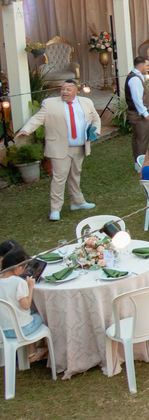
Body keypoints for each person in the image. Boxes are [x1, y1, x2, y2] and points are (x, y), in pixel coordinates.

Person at [14, 79, 101, 222]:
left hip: (79, 146)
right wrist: (26, 130)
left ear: (76, 91)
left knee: (75, 174)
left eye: (68, 89)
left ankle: (77, 202)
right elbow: (37, 118)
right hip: (59, 147)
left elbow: (95, 118)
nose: (64, 92)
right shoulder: (50, 104)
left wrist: (95, 132)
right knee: (59, 178)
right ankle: (55, 209)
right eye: (63, 89)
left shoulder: (86, 102)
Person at [0, 247, 47, 357]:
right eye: (24, 268)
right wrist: (30, 287)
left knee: (29, 315)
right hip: (22, 330)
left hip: (3, 331)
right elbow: (26, 306)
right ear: (17, 268)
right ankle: (35, 351)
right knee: (41, 316)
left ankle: (29, 352)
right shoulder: (18, 282)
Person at [125, 55, 149, 160]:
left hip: (136, 113)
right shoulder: (135, 79)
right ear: (141, 66)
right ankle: (141, 163)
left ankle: (137, 161)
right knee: (142, 139)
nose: (148, 67)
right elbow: (137, 99)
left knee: (137, 138)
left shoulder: (136, 76)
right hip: (138, 115)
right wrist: (145, 114)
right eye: (147, 65)